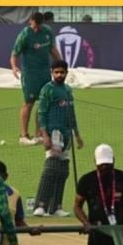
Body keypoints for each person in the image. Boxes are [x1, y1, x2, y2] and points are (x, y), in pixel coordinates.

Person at [33, 59, 84, 217]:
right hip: (54, 132)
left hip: (67, 133)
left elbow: (72, 113)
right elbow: (41, 113)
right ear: (52, 73)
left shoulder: (68, 90)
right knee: (51, 168)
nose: (59, 75)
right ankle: (40, 205)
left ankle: (55, 207)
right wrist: (44, 135)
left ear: (66, 73)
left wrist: (77, 134)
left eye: (62, 72)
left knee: (63, 171)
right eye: (56, 72)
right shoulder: (47, 90)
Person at [10, 12, 62, 146]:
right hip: (30, 74)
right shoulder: (25, 34)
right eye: (35, 25)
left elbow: (52, 48)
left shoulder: (47, 31)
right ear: (30, 21)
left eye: (39, 25)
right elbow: (14, 54)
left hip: (45, 72)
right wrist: (14, 67)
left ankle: (39, 133)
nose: (37, 28)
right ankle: (23, 136)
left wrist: (61, 62)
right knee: (29, 103)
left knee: (43, 103)